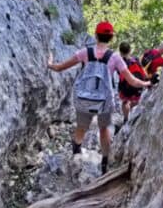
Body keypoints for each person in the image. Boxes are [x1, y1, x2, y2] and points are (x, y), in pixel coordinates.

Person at [47, 21, 151, 174]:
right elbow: (132, 81)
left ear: (96, 36)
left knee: (82, 126)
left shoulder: (85, 52)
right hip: (104, 100)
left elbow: (60, 67)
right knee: (104, 129)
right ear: (111, 38)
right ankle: (104, 162)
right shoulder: (115, 57)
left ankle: (76, 151)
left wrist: (50, 63)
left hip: (84, 98)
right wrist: (147, 83)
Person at [116, 42, 148, 126]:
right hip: (137, 85)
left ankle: (126, 118)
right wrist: (147, 80)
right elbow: (143, 72)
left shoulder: (119, 62)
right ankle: (132, 112)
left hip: (125, 86)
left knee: (125, 102)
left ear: (120, 51)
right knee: (135, 100)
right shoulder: (135, 59)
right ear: (130, 50)